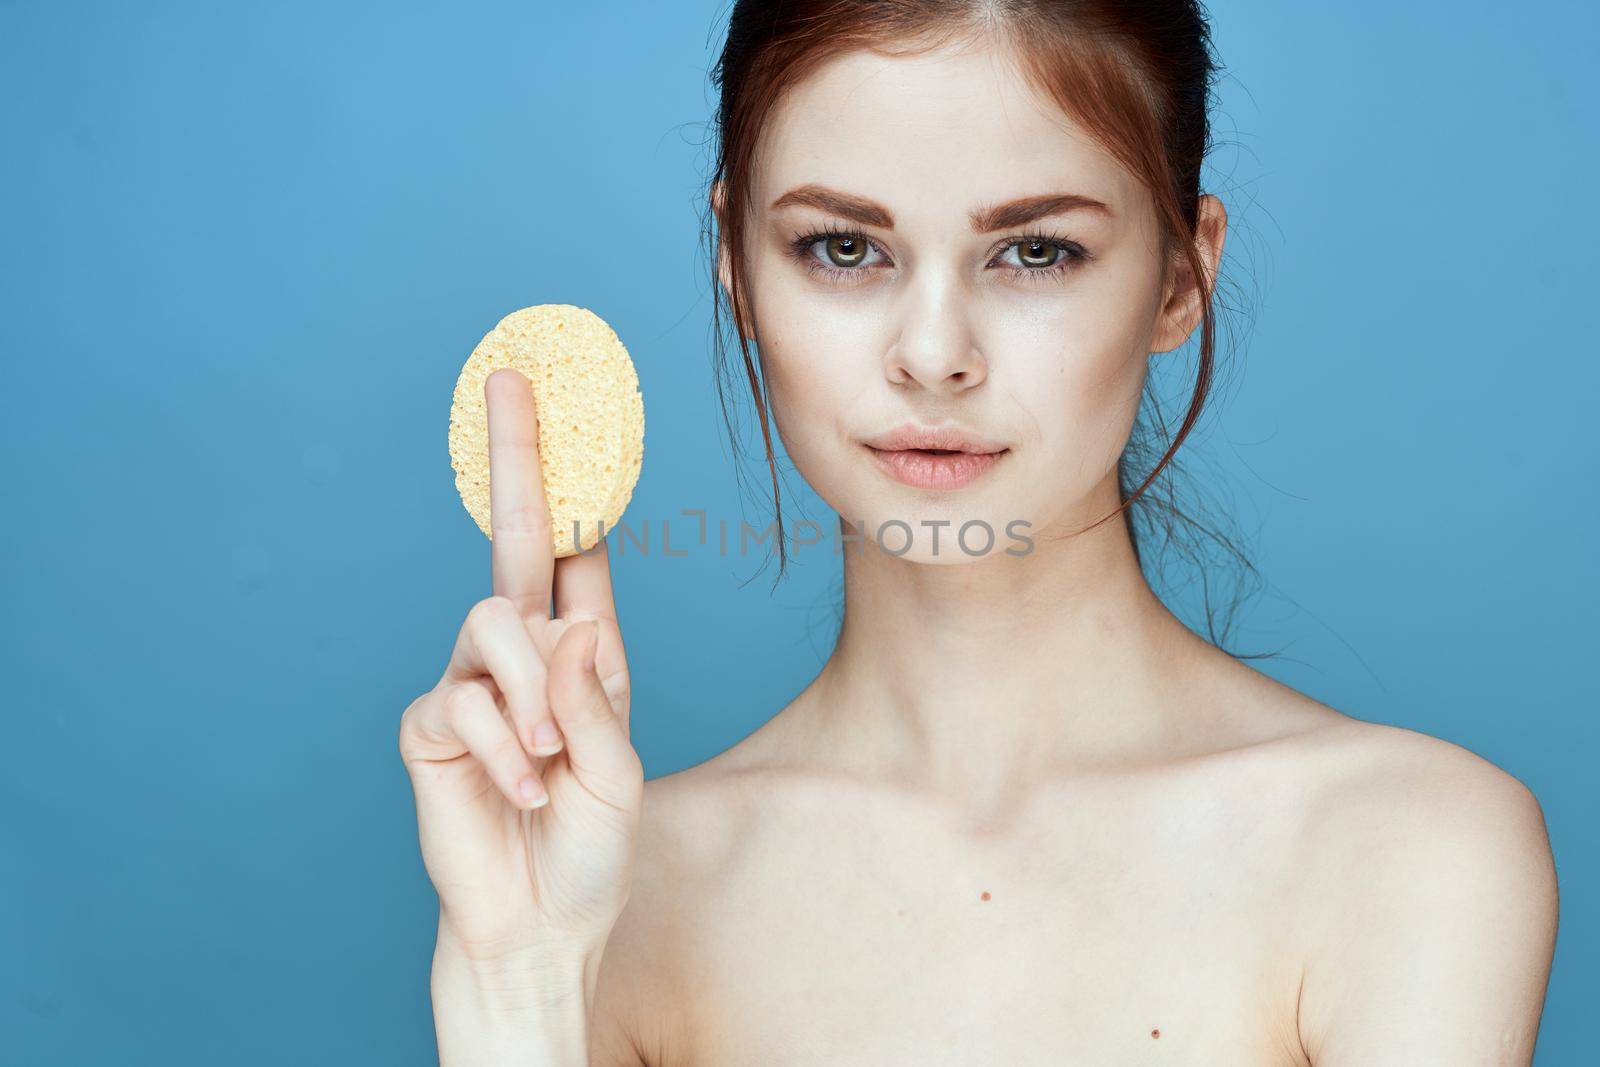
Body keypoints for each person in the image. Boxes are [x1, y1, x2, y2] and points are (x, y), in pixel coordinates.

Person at [398, 2, 1559, 1063]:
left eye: (1035, 249)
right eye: (843, 248)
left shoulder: (1411, 854)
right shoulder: (608, 893)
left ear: (1179, 276)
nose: (933, 351)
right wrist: (522, 982)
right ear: (737, 265)